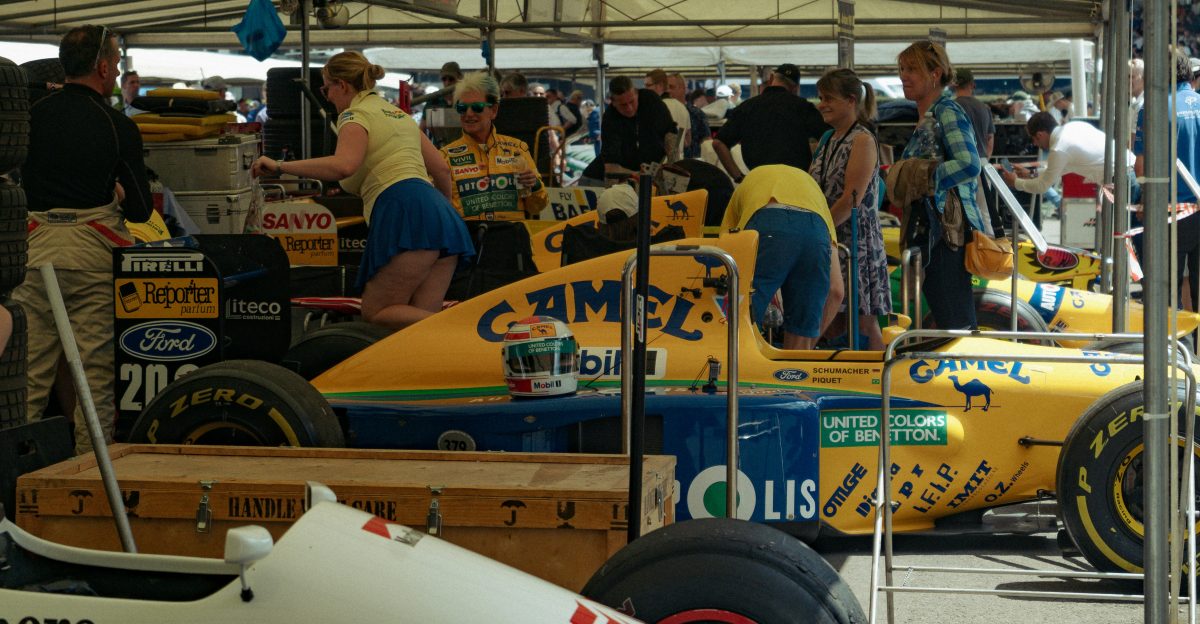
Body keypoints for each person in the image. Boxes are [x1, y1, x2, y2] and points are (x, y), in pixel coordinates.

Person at [251, 51, 471, 329]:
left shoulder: (355, 115)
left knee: (377, 311)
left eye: (326, 89)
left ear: (342, 85)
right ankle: (459, 332)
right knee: (420, 325)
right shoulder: (399, 115)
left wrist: (281, 165)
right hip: (443, 216)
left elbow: (343, 166)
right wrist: (440, 213)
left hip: (406, 211)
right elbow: (440, 169)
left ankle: (463, 327)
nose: (327, 97)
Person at [16, 24, 153, 454]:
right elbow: (141, 211)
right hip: (91, 253)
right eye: (116, 62)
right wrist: (116, 191)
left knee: (28, 376)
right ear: (104, 68)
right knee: (94, 373)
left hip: (33, 249)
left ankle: (14, 476)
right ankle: (92, 472)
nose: (117, 71)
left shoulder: (30, 116)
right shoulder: (117, 125)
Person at [894, 40, 983, 330]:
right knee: (950, 319)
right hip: (934, 230)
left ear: (935, 74)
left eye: (912, 69)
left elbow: (969, 163)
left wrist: (924, 178)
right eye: (902, 69)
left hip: (945, 232)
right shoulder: (929, 115)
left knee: (955, 323)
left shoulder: (946, 111)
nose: (904, 76)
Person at [809, 68, 890, 351]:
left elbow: (851, 198)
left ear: (851, 100)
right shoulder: (828, 139)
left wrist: (820, 230)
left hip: (855, 241)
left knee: (864, 323)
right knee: (834, 321)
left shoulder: (862, 140)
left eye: (829, 98)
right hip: (832, 237)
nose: (822, 104)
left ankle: (880, 375)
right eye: (821, 98)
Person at [722, 165, 843, 350]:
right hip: (815, 229)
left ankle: (740, 360)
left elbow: (725, 262)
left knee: (736, 322)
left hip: (767, 219)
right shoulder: (818, 202)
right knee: (799, 342)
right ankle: (796, 361)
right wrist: (807, 346)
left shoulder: (749, 182)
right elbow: (836, 291)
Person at [1134, 49, 1200, 310]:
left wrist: (1144, 199)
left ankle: (1172, 337)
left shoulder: (1153, 109)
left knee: (1166, 298)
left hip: (1170, 212)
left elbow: (1142, 166)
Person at [440, 71, 547, 221]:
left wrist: (534, 185)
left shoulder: (517, 149)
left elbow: (536, 207)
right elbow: (438, 210)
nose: (469, 113)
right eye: (462, 107)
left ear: (494, 110)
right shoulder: (445, 157)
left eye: (477, 107)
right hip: (468, 234)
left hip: (511, 232)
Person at [713, 63, 830, 182]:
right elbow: (829, 138)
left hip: (759, 180)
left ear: (771, 79)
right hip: (794, 181)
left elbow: (718, 143)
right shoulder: (803, 107)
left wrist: (739, 177)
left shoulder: (747, 107)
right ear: (796, 88)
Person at [1000, 112, 1133, 198]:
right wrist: (1030, 174)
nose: (1034, 144)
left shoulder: (1059, 148)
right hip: (1130, 170)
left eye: (1033, 139)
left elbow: (1042, 186)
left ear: (1040, 135)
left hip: (1122, 180)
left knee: (1126, 232)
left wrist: (1016, 182)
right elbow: (1059, 170)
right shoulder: (1073, 127)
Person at [578, 76, 676, 184]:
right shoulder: (610, 118)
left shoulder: (651, 100)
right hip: (596, 180)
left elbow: (670, 133)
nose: (629, 108)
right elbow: (611, 169)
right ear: (613, 102)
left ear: (636, 93)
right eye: (623, 105)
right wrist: (637, 175)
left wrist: (673, 167)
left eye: (632, 101)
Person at [645, 69, 690, 161]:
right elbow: (687, 140)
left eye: (648, 85)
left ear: (660, 86)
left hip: (660, 162)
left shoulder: (656, 107)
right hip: (678, 161)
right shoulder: (682, 108)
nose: (645, 89)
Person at [952, 68, 993, 160]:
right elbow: (990, 138)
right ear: (972, 85)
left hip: (959, 162)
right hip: (981, 160)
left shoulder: (950, 107)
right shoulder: (985, 108)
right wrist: (985, 160)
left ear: (954, 85)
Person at [670, 72, 710, 159]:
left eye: (671, 87)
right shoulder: (664, 113)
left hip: (693, 162)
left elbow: (706, 141)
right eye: (666, 88)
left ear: (683, 89)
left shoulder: (696, 114)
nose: (668, 91)